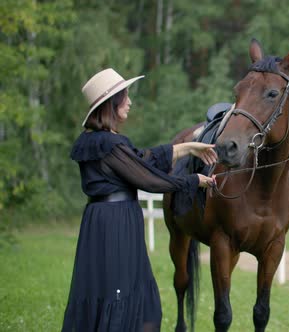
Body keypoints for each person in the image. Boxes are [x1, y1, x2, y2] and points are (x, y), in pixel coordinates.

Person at [62, 68, 216, 332]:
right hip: (115, 224)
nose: (130, 102)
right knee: (123, 294)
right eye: (125, 97)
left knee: (115, 292)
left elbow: (142, 159)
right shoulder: (108, 144)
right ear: (112, 103)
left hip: (103, 221)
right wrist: (192, 181)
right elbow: (148, 178)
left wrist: (188, 147)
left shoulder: (98, 141)